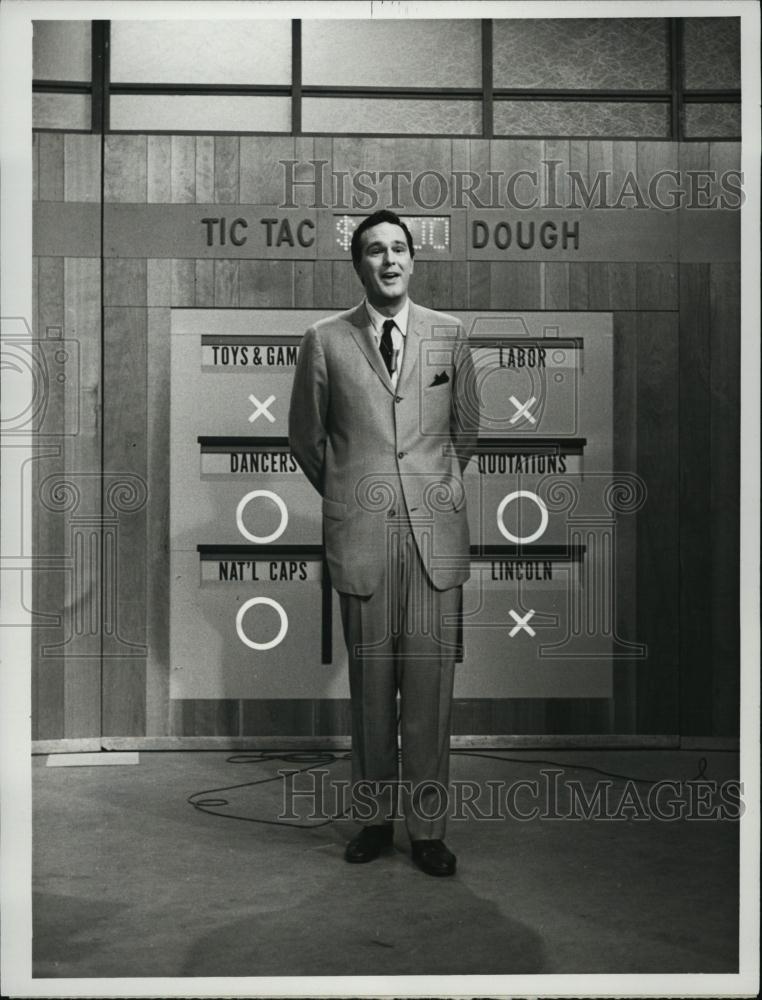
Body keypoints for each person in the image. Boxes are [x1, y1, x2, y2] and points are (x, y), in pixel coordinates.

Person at [288, 210, 478, 876]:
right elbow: (306, 438)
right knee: (370, 693)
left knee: (429, 694)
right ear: (359, 265)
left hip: (434, 544)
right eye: (375, 250)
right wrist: (351, 494)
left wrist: (431, 492)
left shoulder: (451, 335)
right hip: (362, 540)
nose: (390, 260)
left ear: (413, 260)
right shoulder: (324, 340)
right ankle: (373, 819)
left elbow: (466, 431)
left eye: (399, 248)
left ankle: (427, 832)